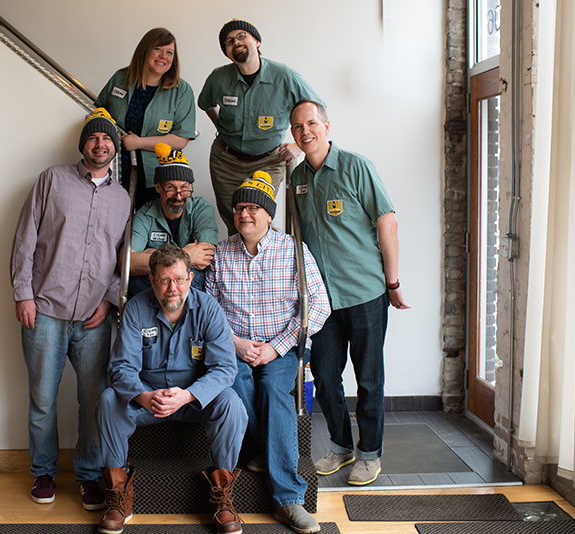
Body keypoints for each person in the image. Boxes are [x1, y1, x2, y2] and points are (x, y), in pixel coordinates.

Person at [9, 108, 130, 507]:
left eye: (107, 139)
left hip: (94, 319)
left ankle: (89, 476)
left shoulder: (122, 198)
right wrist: (23, 293)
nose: (101, 144)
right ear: (84, 145)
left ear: (115, 148)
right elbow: (26, 238)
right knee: (42, 397)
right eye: (94, 138)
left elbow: (122, 259)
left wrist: (111, 299)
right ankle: (43, 473)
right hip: (45, 310)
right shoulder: (52, 180)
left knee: (94, 401)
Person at [289, 99, 410, 486]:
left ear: (327, 126)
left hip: (365, 294)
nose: (304, 131)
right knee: (324, 376)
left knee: (369, 379)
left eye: (311, 123)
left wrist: (392, 283)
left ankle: (369, 454)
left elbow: (387, 221)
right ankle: (341, 447)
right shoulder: (296, 178)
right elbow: (298, 238)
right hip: (322, 300)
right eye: (297, 127)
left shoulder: (357, 167)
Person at [206, 172, 331, 534]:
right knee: (238, 388)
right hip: (235, 348)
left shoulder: (294, 250)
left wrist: (275, 348)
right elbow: (209, 312)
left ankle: (289, 500)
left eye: (254, 208)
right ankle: (265, 449)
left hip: (281, 348)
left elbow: (319, 307)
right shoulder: (222, 252)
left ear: (269, 214)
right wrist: (236, 344)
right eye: (240, 207)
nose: (245, 214)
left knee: (275, 392)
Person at [96, 245, 247, 534]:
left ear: (191, 278)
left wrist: (188, 395)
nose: (172, 288)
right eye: (164, 280)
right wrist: (144, 395)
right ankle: (117, 495)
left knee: (231, 404)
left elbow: (225, 368)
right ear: (152, 280)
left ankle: (222, 498)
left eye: (178, 279)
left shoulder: (209, 309)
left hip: (194, 399)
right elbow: (121, 368)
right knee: (107, 399)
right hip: (148, 399)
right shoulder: (136, 308)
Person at [198, 18, 323, 235]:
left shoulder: (284, 76)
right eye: (229, 41)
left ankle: (266, 264)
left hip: (268, 161)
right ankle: (237, 267)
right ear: (226, 52)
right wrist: (222, 126)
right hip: (225, 161)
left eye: (241, 36)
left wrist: (298, 146)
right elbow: (205, 104)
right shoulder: (218, 78)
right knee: (235, 218)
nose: (235, 42)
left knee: (257, 215)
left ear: (256, 41)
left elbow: (318, 111)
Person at [96, 27, 196, 209]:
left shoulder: (182, 91)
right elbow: (98, 113)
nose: (163, 56)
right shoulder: (120, 79)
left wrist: (138, 143)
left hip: (154, 175)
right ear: (145, 50)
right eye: (158, 49)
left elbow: (181, 139)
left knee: (148, 226)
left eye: (169, 52)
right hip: (112, 167)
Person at [126, 143, 217, 296]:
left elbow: (203, 258)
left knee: (195, 277)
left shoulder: (202, 209)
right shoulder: (145, 213)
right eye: (170, 188)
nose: (179, 195)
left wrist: (153, 254)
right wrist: (185, 254)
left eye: (185, 187)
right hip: (156, 284)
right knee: (136, 282)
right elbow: (128, 263)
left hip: (187, 283)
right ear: (158, 188)